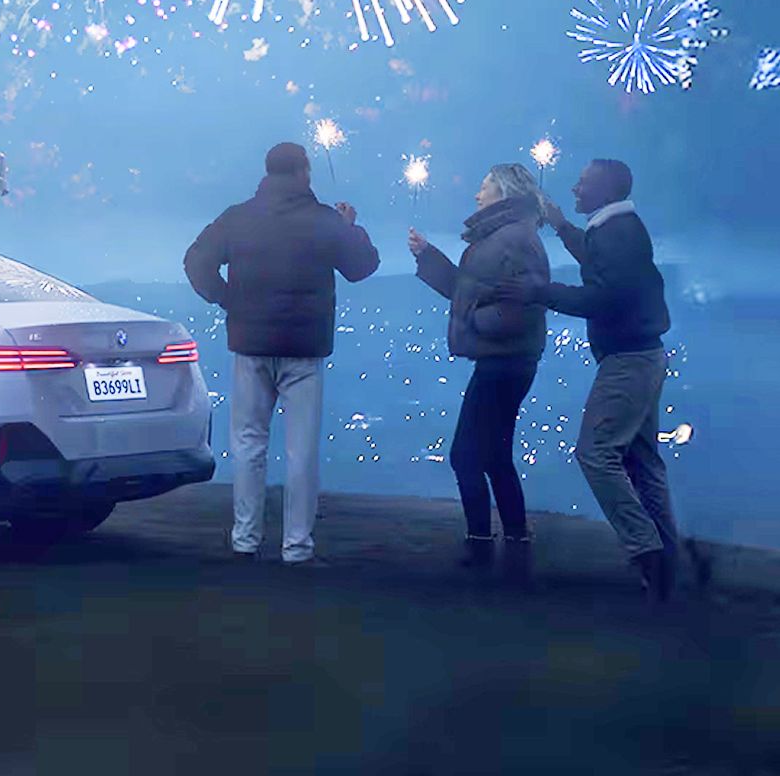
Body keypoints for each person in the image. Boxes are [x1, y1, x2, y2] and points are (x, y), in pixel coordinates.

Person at [184, 142, 380, 564]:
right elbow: (363, 266)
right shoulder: (324, 221)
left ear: (267, 172)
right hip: (304, 350)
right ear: (304, 172)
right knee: (301, 451)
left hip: (250, 345)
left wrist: (227, 299)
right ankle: (296, 546)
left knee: (249, 444)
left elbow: (196, 260)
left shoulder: (237, 218)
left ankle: (245, 538)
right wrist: (350, 226)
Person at [501, 159, 678, 602]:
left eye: (584, 182)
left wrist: (540, 291)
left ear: (606, 189)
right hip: (644, 353)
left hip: (627, 359)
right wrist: (561, 225)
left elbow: (602, 298)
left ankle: (647, 551)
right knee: (641, 461)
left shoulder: (615, 233)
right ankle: (665, 558)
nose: (575, 187)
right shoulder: (617, 227)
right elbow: (602, 268)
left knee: (596, 453)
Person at [408, 163, 550, 586]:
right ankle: (515, 540)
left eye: (484, 186)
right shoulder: (506, 236)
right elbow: (467, 291)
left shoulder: (514, 238)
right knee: (493, 453)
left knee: (466, 454)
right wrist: (429, 258)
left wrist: (476, 323)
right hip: (508, 358)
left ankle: (481, 543)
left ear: (504, 192)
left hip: (504, 359)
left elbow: (526, 302)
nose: (477, 194)